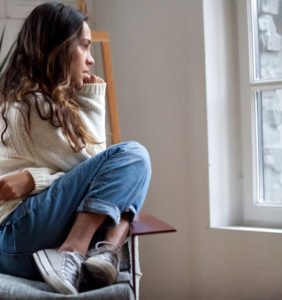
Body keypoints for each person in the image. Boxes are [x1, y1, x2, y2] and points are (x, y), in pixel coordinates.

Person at [0, 1, 151, 295]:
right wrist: (93, 97)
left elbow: (101, 179)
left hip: (27, 238)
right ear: (58, 48)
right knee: (134, 156)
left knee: (126, 177)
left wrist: (34, 178)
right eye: (84, 46)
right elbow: (100, 165)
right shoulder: (32, 106)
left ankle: (104, 253)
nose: (90, 60)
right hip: (15, 237)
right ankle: (76, 250)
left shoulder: (45, 104)